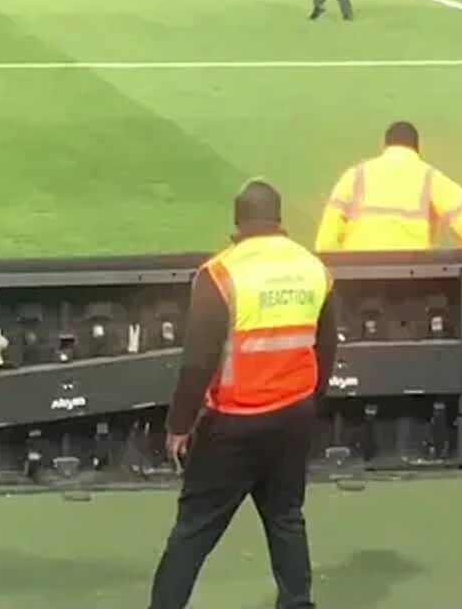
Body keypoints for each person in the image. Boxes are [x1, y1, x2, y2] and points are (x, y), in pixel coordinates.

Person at [147, 180, 338, 609]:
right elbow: (326, 347)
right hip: (293, 415)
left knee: (193, 530)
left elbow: (198, 361)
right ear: (279, 218)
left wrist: (178, 426)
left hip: (233, 421)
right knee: (286, 518)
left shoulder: (220, 274)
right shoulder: (313, 269)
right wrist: (310, 399)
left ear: (237, 222)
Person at [315, 122, 462, 252]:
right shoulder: (429, 177)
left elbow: (326, 240)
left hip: (359, 276)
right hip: (410, 277)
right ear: (416, 147)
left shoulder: (355, 175)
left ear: (385, 145)